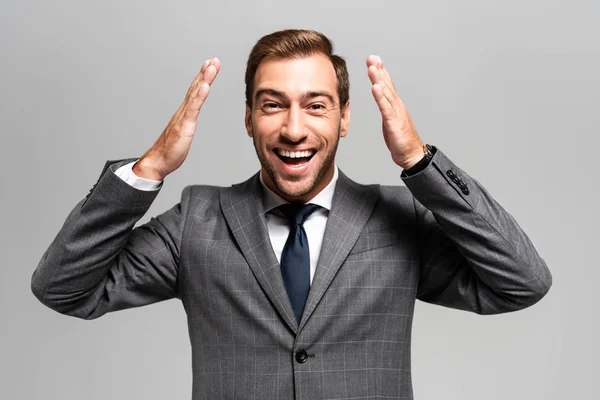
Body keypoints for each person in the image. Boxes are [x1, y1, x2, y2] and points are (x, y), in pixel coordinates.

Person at [31, 29, 552, 399]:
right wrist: (149, 168)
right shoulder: (198, 219)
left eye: (316, 105)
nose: (294, 130)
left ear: (346, 118)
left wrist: (418, 161)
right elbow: (63, 288)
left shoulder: (397, 217)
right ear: (249, 119)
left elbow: (522, 282)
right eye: (273, 104)